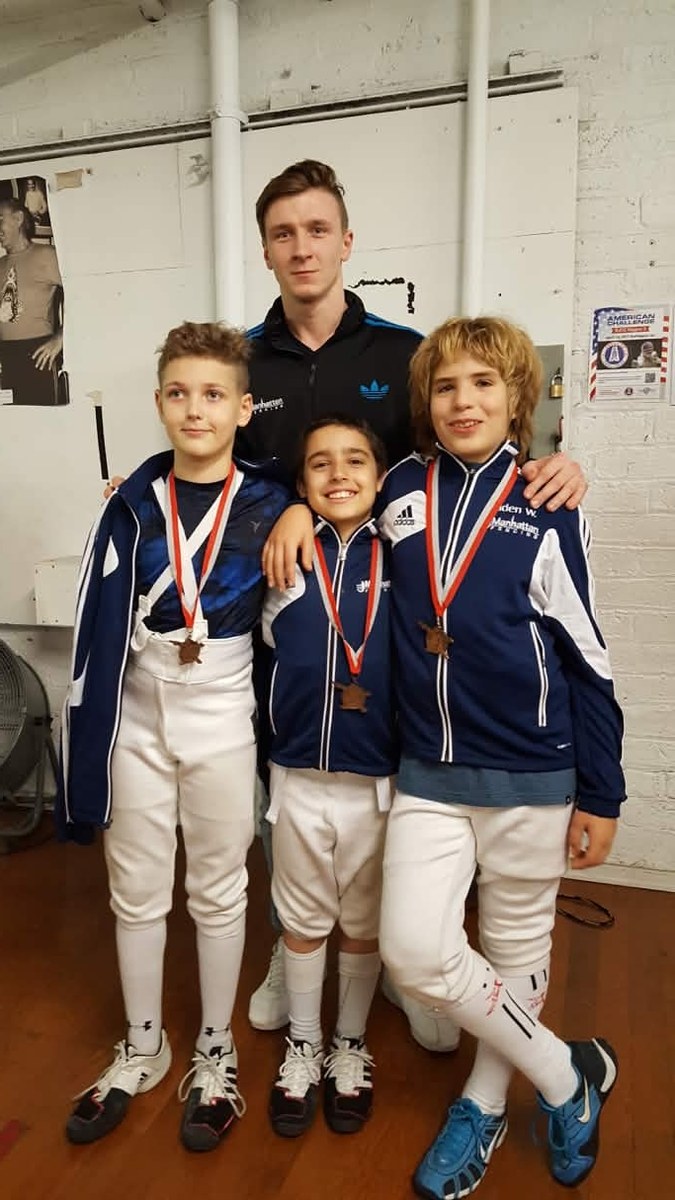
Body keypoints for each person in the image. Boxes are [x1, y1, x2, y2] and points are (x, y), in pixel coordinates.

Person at [241, 159, 588, 1051]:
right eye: (283, 233)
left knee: (381, 799)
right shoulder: (244, 360)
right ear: (266, 250)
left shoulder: (400, 354)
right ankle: (293, 938)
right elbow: (219, 468)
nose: (302, 247)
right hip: (290, 597)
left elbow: (465, 439)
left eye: (317, 229)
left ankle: (402, 954)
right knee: (289, 782)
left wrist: (552, 461)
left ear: (346, 242)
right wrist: (282, 505)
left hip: (392, 614)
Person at [376, 315, 625, 1197]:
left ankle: (481, 1105)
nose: (463, 400)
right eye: (445, 385)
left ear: (517, 395)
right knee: (412, 950)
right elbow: (324, 504)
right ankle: (565, 1076)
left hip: (532, 771)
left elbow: (587, 660)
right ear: (426, 401)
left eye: (483, 382)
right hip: (427, 772)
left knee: (516, 946)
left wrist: (602, 793)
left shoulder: (548, 502)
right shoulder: (396, 489)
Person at [56, 321, 288, 1152]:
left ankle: (215, 1050)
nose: (196, 409)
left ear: (242, 409)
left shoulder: (273, 502)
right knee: (136, 888)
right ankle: (144, 1043)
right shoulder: (130, 501)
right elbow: (96, 619)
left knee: (220, 888)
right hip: (138, 712)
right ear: (159, 402)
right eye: (180, 393)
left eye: (214, 394)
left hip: (222, 711)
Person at [263, 414, 395, 1138]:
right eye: (319, 464)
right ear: (300, 482)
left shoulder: (407, 554)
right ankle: (304, 1044)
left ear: (381, 477)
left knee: (363, 923)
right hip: (296, 777)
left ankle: (348, 1043)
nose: (338, 474)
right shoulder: (283, 551)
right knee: (303, 921)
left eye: (355, 461)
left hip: (376, 782)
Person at [0, 196, 65, 405]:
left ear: (18, 218)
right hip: (5, 358)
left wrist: (61, 338)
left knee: (42, 422)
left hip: (39, 356)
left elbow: (83, 295)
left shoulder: (47, 255)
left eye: (0, 219)